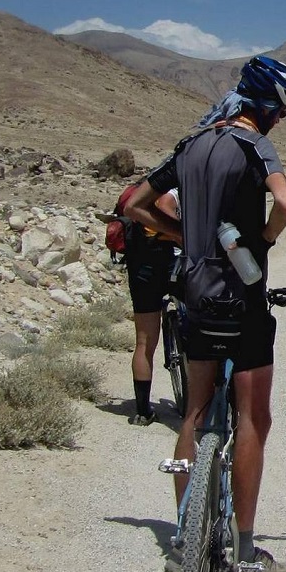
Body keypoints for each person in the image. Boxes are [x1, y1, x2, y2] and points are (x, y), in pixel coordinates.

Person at [124, 55, 286, 572]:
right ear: (264, 106)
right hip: (242, 301)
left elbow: (134, 205)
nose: (280, 121)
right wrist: (263, 241)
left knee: (194, 414)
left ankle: (184, 543)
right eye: (280, 111)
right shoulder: (253, 144)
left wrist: (185, 238)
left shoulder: (192, 144)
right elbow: (285, 201)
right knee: (253, 419)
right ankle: (244, 556)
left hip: (195, 297)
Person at [117, 182, 181, 426]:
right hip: (170, 263)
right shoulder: (174, 190)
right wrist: (180, 235)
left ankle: (143, 411)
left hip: (141, 264)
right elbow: (165, 205)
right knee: (195, 328)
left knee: (144, 342)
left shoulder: (148, 189)